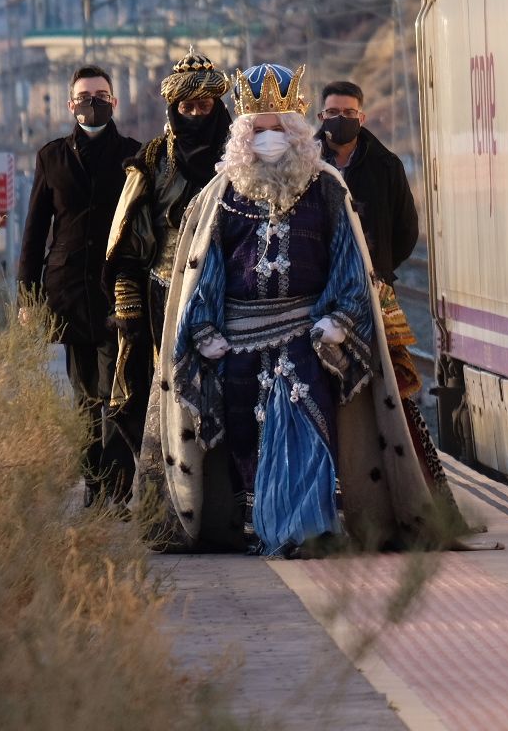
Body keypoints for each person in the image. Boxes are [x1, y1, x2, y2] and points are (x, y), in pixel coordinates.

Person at [134, 62, 455, 554]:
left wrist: (340, 316)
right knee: (244, 431)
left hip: (306, 329)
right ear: (243, 133)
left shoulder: (326, 186)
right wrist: (202, 328)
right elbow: (206, 264)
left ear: (298, 130)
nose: (269, 138)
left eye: (279, 128)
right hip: (237, 335)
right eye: (260, 130)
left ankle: (308, 527)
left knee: (308, 424)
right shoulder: (220, 194)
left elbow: (349, 257)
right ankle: (257, 520)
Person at [103, 52, 233, 492]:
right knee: (173, 396)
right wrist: (129, 307)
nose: (196, 114)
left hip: (234, 297)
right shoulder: (153, 161)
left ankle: (231, 499)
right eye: (187, 108)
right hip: (168, 297)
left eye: (205, 106)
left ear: (218, 106)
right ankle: (175, 496)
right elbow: (125, 245)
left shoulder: (240, 159)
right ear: (173, 109)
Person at [18, 64, 141, 505]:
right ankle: (93, 484)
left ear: (114, 100)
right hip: (68, 289)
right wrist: (26, 294)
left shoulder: (134, 155)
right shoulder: (52, 157)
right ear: (71, 104)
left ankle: (118, 490)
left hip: (119, 290)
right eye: (86, 95)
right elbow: (34, 232)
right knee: (84, 395)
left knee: (118, 393)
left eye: (102, 94)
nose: (94, 101)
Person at [316, 80, 421, 397]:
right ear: (321, 117)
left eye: (349, 112)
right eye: (333, 112)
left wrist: (381, 266)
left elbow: (406, 229)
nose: (341, 118)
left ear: (361, 117)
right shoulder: (304, 165)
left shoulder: (386, 165)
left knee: (378, 380)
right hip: (317, 291)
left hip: (374, 292)